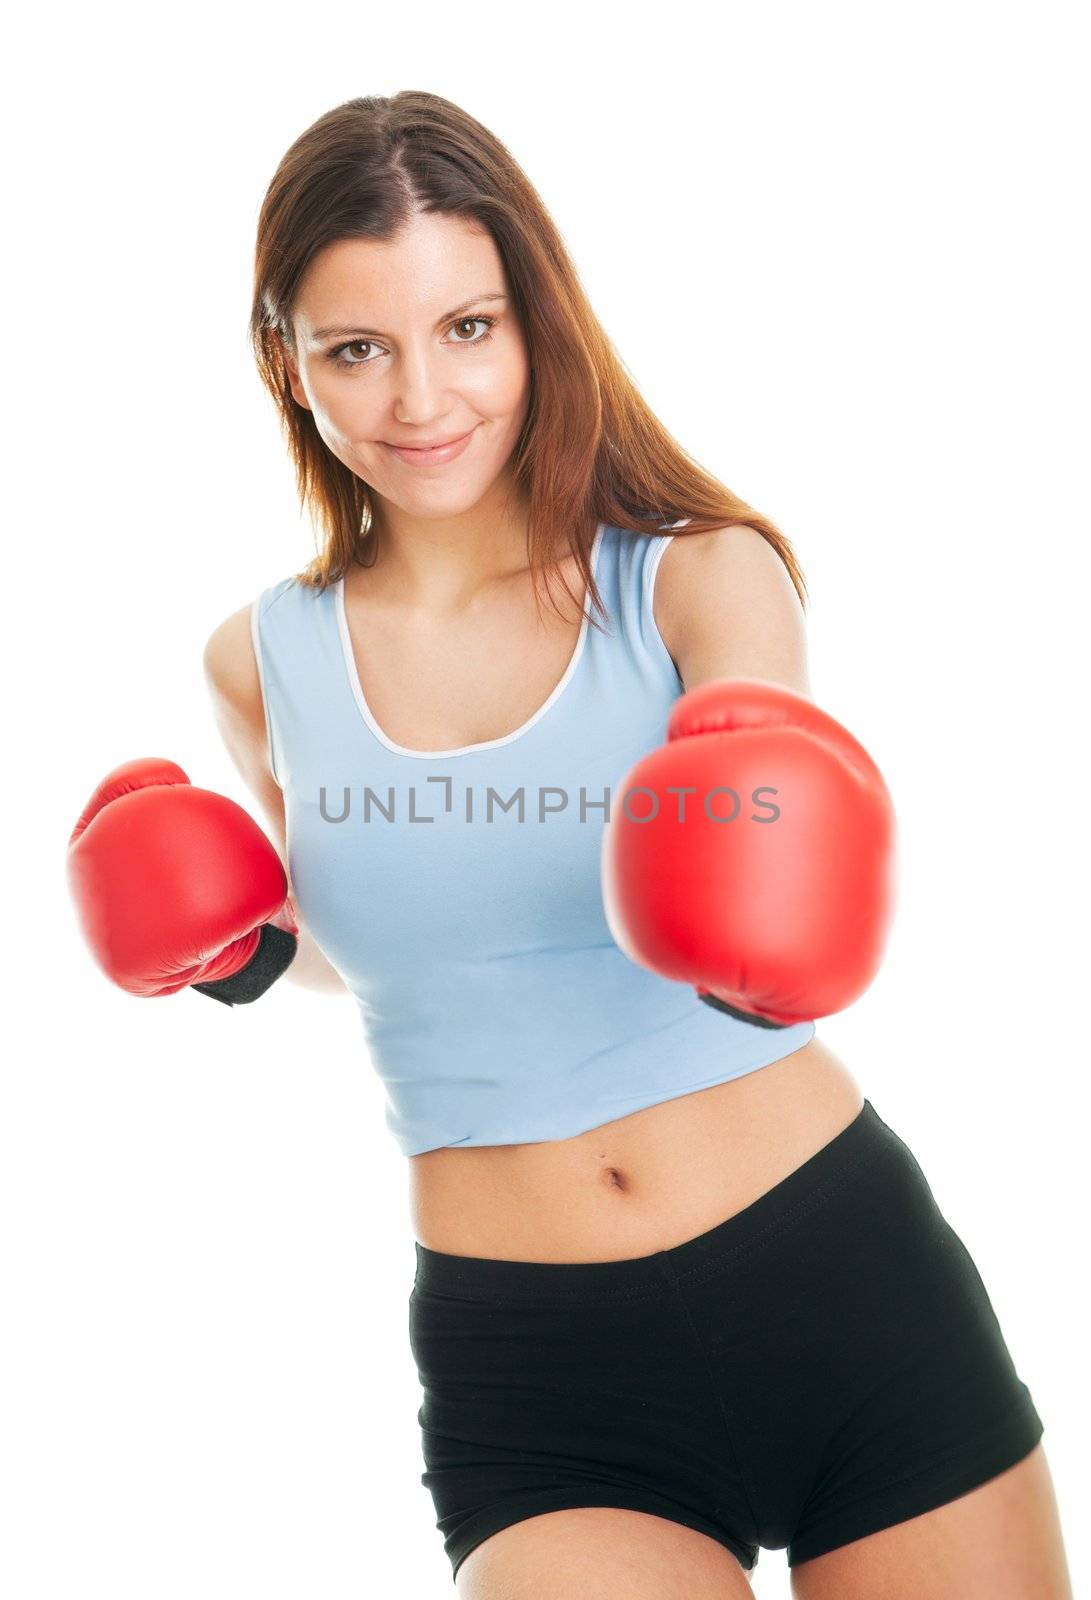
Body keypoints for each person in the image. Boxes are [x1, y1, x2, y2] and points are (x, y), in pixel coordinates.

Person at [67, 93, 1073, 1598]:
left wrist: (770, 890)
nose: (421, 399)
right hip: (536, 1366)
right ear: (288, 361)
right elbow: (394, 952)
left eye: (466, 328)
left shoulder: (698, 583)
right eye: (360, 348)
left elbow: (775, 849)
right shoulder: (257, 661)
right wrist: (254, 955)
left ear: (535, 322)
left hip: (838, 1279)